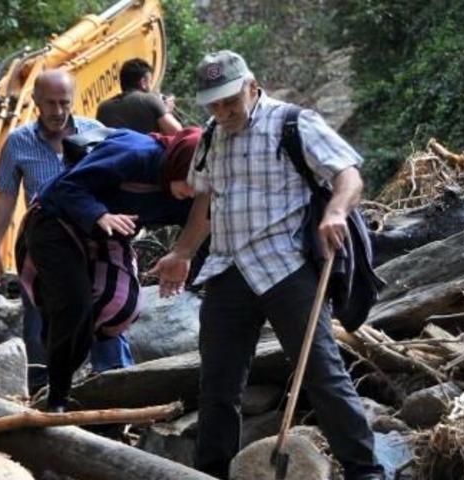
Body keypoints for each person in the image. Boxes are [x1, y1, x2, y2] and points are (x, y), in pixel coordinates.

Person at [147, 51, 385, 479]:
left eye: (229, 101)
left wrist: (335, 212)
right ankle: (212, 471)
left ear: (251, 86)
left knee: (321, 374)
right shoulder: (210, 137)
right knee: (218, 386)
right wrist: (182, 253)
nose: (222, 112)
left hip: (286, 267)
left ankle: (364, 470)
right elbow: (205, 199)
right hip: (227, 272)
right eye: (213, 105)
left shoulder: (293, 122)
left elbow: (348, 174)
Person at [23, 126, 200, 412]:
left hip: (107, 236)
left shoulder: (189, 193)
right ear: (178, 162)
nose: (191, 190)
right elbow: (63, 187)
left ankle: (85, 372)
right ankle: (57, 395)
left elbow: (202, 228)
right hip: (56, 219)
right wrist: (99, 214)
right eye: (189, 180)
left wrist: (185, 261)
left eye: (199, 183)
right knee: (73, 306)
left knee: (121, 303)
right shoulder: (134, 155)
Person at [0, 69, 111, 391]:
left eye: (64, 103)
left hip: (90, 239)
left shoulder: (95, 133)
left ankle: (101, 378)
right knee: (39, 312)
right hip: (42, 241)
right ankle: (42, 385)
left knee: (97, 306)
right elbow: (6, 196)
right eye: (50, 104)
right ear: (36, 102)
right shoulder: (18, 142)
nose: (57, 112)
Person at [96, 58, 182, 135]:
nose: (151, 87)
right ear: (143, 82)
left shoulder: (102, 108)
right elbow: (178, 133)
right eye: (150, 82)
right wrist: (166, 111)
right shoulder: (150, 99)